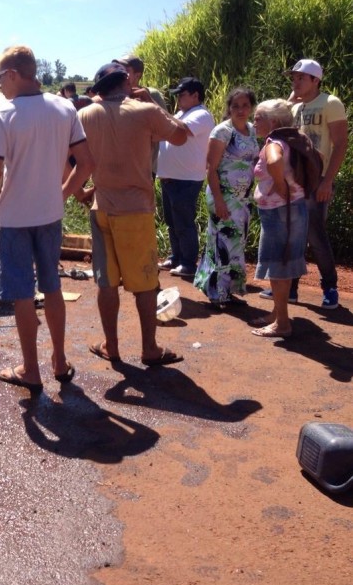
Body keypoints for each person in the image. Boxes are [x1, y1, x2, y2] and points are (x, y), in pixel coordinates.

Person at [0, 45, 94, 392]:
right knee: (53, 287)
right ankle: (59, 361)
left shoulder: (3, 117)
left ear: (13, 74)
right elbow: (86, 165)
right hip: (50, 215)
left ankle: (31, 369)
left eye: (0, 78)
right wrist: (60, 194)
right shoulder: (64, 108)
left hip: (15, 217)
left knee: (22, 294)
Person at [78, 62, 190, 365]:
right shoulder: (145, 111)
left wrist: (80, 192)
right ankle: (149, 349)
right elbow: (181, 135)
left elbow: (71, 158)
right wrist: (151, 102)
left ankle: (111, 346)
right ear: (127, 83)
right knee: (143, 283)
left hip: (102, 208)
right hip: (135, 211)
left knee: (107, 282)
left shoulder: (85, 114)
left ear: (99, 89)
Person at [259, 59, 348, 309]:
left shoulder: (330, 103)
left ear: (315, 80)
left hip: (317, 180)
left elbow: (341, 143)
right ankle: (291, 289)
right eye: (293, 78)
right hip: (294, 179)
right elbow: (278, 123)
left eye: (301, 78)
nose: (295, 81)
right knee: (291, 233)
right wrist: (290, 100)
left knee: (315, 235)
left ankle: (330, 287)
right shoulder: (295, 107)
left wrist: (327, 181)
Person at [194, 87, 259, 308]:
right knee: (221, 243)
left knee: (236, 244)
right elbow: (210, 169)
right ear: (229, 108)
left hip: (243, 199)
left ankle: (228, 290)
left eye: (245, 106)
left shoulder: (251, 130)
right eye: (235, 106)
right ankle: (217, 292)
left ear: (251, 108)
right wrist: (219, 201)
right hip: (223, 197)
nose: (240, 110)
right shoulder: (222, 131)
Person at [250, 99, 309, 338]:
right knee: (285, 262)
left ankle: (282, 323)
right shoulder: (291, 139)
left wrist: (278, 183)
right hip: (295, 207)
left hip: (278, 212)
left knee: (278, 267)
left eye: (257, 118)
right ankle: (277, 313)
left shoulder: (274, 143)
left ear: (272, 121)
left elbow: (274, 161)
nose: (254, 123)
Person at [157, 76, 215, 278]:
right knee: (172, 222)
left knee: (184, 222)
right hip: (171, 177)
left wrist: (158, 111)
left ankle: (189, 263)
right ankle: (177, 257)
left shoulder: (201, 114)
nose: (178, 98)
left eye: (182, 95)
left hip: (186, 179)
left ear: (195, 96)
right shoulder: (182, 112)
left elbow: (184, 129)